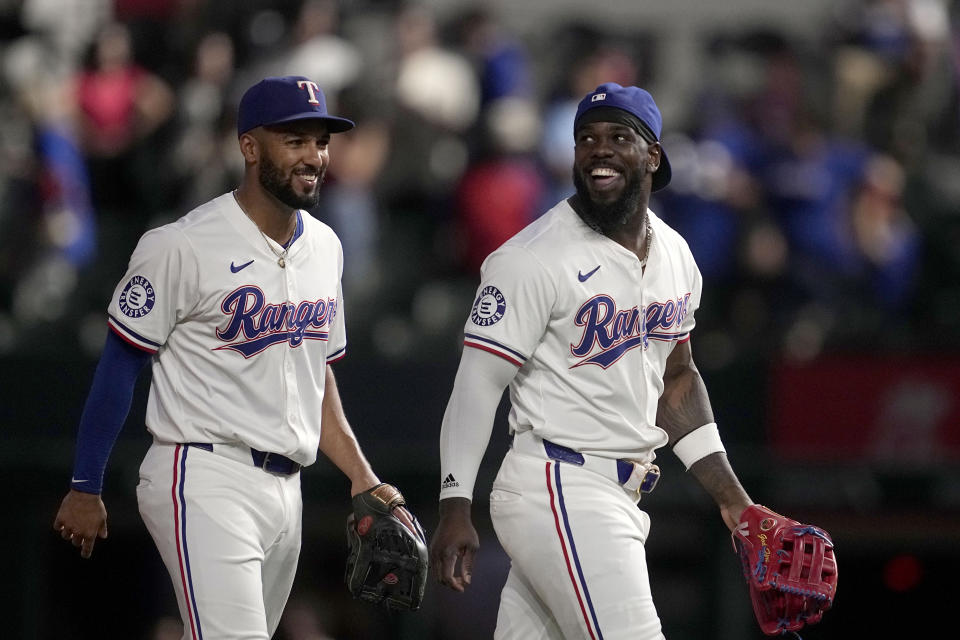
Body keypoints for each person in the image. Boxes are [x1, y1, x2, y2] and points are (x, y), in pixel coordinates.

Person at [53, 75, 421, 639]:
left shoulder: (326, 246)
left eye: (320, 141)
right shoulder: (182, 243)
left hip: (286, 486)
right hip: (202, 471)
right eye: (294, 140)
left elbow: (315, 373)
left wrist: (361, 476)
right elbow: (120, 363)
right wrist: (86, 483)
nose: (314, 156)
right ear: (249, 147)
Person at [429, 82, 756, 639]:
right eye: (586, 138)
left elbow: (675, 382)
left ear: (653, 156)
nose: (598, 149)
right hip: (559, 484)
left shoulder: (676, 253)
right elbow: (477, 385)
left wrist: (735, 502)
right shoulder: (531, 258)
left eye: (617, 137)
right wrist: (455, 502)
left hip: (619, 491)